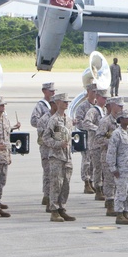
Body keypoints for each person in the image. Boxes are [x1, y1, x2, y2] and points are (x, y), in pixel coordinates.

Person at [41, 93, 75, 222]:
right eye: (64, 101)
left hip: (66, 157)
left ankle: (62, 208)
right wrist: (57, 144)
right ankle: (54, 210)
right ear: (58, 103)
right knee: (56, 184)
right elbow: (45, 138)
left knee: (65, 184)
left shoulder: (68, 119)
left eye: (67, 102)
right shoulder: (53, 120)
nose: (66, 103)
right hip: (56, 156)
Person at [107, 111, 128, 225]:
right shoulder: (117, 133)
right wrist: (113, 168)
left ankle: (126, 212)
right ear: (121, 119)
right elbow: (111, 152)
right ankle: (119, 214)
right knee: (121, 191)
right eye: (127, 118)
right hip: (121, 168)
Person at [31, 82, 57, 207]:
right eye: (50, 91)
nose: (53, 93)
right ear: (44, 91)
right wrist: (46, 124)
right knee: (47, 170)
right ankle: (46, 195)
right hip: (45, 143)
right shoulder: (41, 106)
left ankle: (52, 195)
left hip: (55, 143)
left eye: (53, 91)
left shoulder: (56, 105)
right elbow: (33, 120)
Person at [97, 97, 124, 216]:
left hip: (120, 157)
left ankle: (118, 204)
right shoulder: (105, 121)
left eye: (122, 106)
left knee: (119, 182)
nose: (121, 108)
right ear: (113, 106)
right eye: (119, 106)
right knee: (109, 181)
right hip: (108, 155)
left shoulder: (122, 122)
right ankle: (109, 204)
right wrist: (112, 142)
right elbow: (98, 139)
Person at [82, 89, 108, 200]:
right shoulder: (93, 111)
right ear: (98, 98)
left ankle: (104, 188)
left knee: (105, 168)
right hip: (95, 145)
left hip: (104, 145)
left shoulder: (106, 110)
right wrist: (98, 129)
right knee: (98, 168)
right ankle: (98, 189)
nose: (105, 100)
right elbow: (86, 123)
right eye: (104, 98)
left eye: (106, 98)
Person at [73, 82, 98, 194]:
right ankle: (86, 182)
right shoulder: (82, 107)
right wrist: (91, 127)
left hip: (96, 139)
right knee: (87, 160)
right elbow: (78, 122)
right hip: (87, 137)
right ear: (88, 92)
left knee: (94, 161)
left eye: (96, 91)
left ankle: (93, 180)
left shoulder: (98, 107)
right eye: (93, 91)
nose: (95, 93)